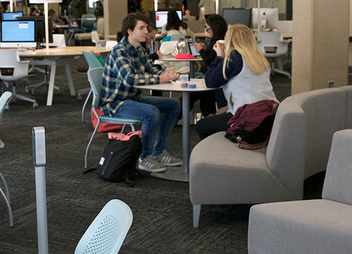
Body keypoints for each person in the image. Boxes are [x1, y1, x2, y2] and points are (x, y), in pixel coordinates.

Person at [101, 13, 182, 173]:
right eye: (142, 28)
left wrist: (167, 73)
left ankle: (159, 151)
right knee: (151, 112)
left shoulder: (139, 50)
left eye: (146, 27)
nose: (147, 31)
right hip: (116, 103)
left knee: (173, 105)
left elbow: (151, 69)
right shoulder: (120, 52)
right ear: (130, 32)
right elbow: (129, 79)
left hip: (132, 99)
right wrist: (160, 79)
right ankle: (144, 157)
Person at [196, 24, 278, 140]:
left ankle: (222, 151)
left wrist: (219, 56)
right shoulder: (259, 57)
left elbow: (210, 81)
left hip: (247, 115)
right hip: (268, 110)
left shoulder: (235, 57)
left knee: (202, 126)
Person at [196, 14, 229, 117]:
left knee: (199, 96)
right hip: (217, 78)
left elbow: (210, 62)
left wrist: (200, 50)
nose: (206, 30)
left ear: (213, 28)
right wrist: (206, 50)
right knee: (204, 97)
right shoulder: (220, 40)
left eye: (207, 28)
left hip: (217, 78)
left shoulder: (218, 43)